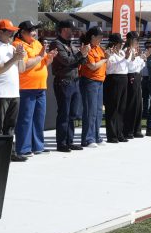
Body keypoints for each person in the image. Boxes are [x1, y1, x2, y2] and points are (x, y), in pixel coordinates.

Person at [13, 20, 56, 157]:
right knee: (25, 119)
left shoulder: (37, 43)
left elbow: (44, 63)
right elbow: (24, 66)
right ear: (22, 32)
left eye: (35, 30)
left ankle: (38, 146)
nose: (34, 33)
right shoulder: (18, 45)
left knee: (39, 118)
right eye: (31, 30)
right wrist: (40, 56)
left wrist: (49, 57)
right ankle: (24, 149)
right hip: (26, 87)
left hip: (40, 87)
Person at [0, 19, 26, 162]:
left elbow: (22, 69)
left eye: (13, 31)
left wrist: (20, 57)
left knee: (10, 126)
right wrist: (14, 59)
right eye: (9, 31)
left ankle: (10, 153)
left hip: (14, 92)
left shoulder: (12, 48)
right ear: (0, 32)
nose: (12, 34)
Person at [51, 19, 89, 152]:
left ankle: (69, 141)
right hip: (63, 82)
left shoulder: (71, 44)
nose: (72, 33)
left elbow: (80, 61)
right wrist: (80, 54)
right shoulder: (56, 44)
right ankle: (61, 143)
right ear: (63, 29)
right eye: (70, 30)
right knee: (64, 113)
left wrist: (84, 55)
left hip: (74, 81)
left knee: (72, 114)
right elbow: (66, 61)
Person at [79, 26, 107, 147]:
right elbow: (93, 66)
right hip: (89, 81)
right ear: (92, 37)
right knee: (90, 110)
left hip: (99, 81)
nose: (101, 39)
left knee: (98, 110)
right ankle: (88, 138)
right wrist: (105, 59)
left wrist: (105, 57)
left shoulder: (99, 48)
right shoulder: (88, 48)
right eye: (99, 36)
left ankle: (96, 136)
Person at [104, 33, 129, 143]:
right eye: (119, 43)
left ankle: (120, 133)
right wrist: (125, 59)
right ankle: (112, 135)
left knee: (122, 108)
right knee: (113, 108)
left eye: (121, 43)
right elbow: (110, 67)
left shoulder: (122, 52)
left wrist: (128, 58)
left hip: (124, 78)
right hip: (114, 79)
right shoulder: (109, 53)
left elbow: (126, 65)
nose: (120, 45)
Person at [123, 33, 146, 139]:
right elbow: (130, 66)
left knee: (138, 104)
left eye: (137, 40)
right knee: (131, 104)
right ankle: (128, 130)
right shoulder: (126, 50)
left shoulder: (135, 50)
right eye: (135, 40)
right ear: (130, 40)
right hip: (131, 76)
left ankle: (137, 129)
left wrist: (142, 59)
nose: (137, 42)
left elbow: (140, 66)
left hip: (137, 76)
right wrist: (140, 59)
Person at [140, 40, 151, 118]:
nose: (148, 48)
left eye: (149, 46)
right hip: (144, 78)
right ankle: (145, 112)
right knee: (145, 97)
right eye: (146, 46)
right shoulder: (142, 55)